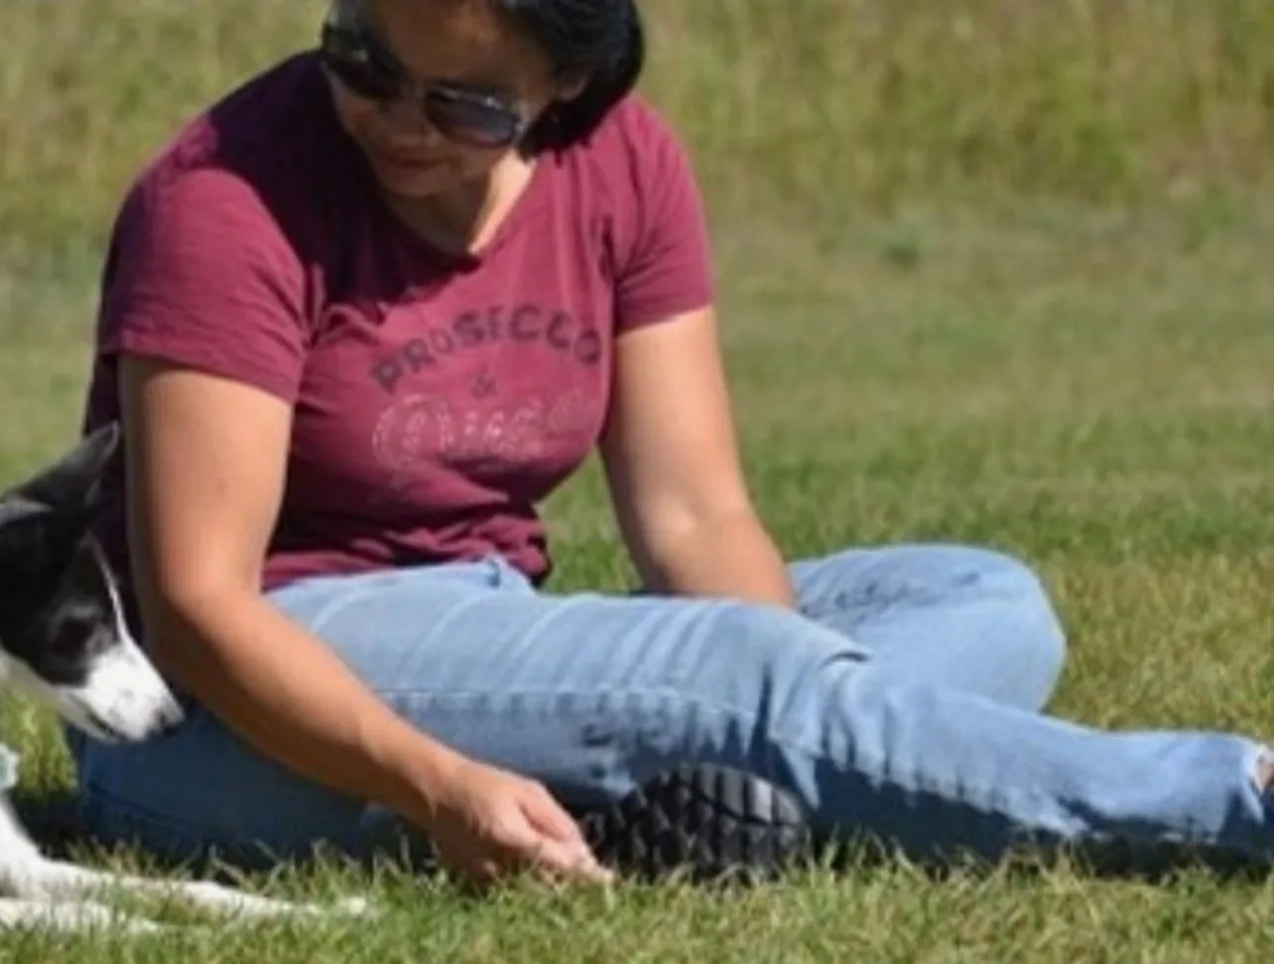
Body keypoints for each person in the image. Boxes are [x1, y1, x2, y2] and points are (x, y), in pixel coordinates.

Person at [62, 0, 1274, 888]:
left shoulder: (623, 166)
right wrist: (439, 786)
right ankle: (1233, 799)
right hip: (220, 718)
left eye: (466, 103)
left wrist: (767, 680)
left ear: (563, 87)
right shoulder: (225, 198)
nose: (397, 122)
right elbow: (197, 607)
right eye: (365, 62)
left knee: (987, 602)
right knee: (734, 677)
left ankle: (701, 791)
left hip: (482, 619)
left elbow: (695, 515)